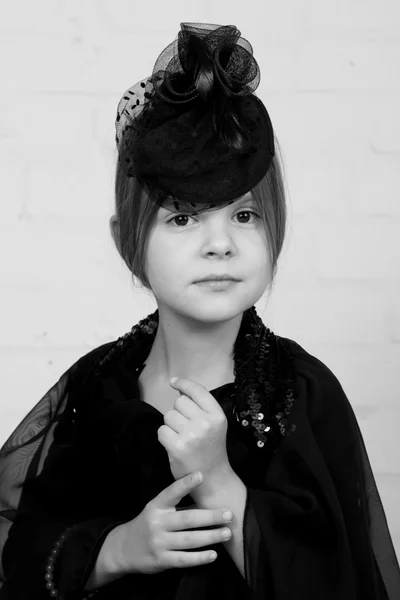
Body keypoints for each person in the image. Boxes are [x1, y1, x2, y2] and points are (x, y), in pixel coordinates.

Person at [0, 22, 399, 600]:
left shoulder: (300, 395)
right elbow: (23, 548)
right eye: (183, 217)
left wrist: (218, 480)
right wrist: (115, 550)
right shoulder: (98, 389)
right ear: (127, 242)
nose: (220, 244)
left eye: (244, 215)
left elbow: (340, 577)